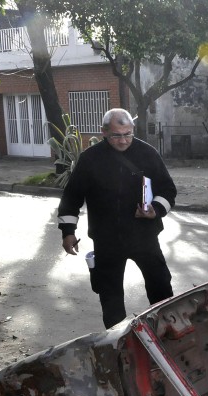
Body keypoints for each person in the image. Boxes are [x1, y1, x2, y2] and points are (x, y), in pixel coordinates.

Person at [58, 108, 177, 329]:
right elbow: (72, 197)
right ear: (103, 132)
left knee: (161, 287)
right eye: (116, 135)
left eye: (128, 134)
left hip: (144, 237)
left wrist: (156, 209)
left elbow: (168, 190)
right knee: (110, 296)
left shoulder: (148, 154)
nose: (123, 141)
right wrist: (68, 232)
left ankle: (166, 331)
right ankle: (117, 341)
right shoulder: (90, 159)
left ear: (133, 130)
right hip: (107, 241)